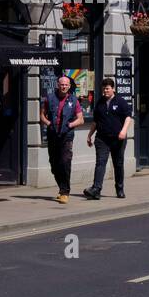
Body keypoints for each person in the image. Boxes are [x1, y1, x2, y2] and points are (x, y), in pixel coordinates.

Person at [84, 78, 133, 199]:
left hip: (118, 139)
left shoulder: (120, 101)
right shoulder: (100, 103)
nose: (105, 91)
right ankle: (96, 189)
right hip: (102, 139)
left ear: (113, 89)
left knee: (118, 164)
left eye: (107, 89)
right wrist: (90, 135)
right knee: (100, 163)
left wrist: (123, 131)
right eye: (103, 89)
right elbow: (96, 121)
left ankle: (120, 189)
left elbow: (128, 117)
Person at [40, 75, 83, 203]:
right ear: (58, 85)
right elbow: (42, 115)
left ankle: (65, 192)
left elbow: (81, 119)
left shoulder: (74, 100)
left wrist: (70, 125)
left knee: (65, 161)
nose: (64, 87)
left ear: (69, 86)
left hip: (67, 135)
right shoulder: (50, 98)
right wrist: (48, 123)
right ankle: (61, 188)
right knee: (54, 164)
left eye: (66, 85)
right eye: (62, 84)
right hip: (53, 135)